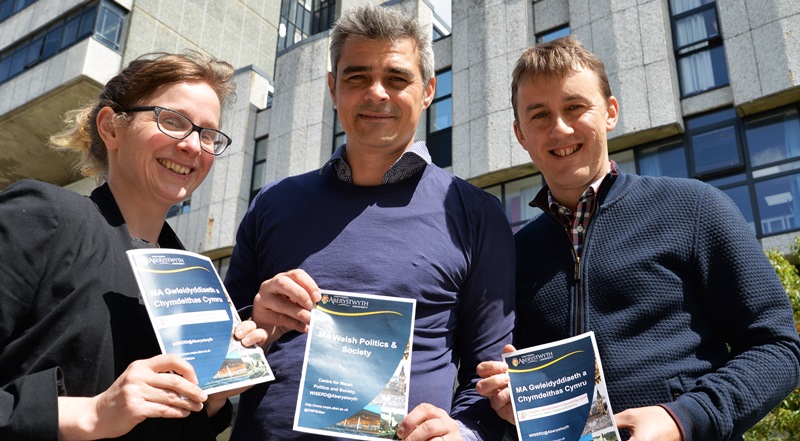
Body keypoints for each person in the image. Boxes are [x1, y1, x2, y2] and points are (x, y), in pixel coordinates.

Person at [475, 36, 800, 441]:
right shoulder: (515, 254)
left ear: (610, 112)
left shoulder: (695, 208)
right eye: (539, 115)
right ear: (520, 134)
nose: (559, 128)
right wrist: (514, 401)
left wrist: (684, 418)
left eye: (575, 107)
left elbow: (778, 349)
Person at [224, 4, 515, 441]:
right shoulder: (273, 203)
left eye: (397, 79)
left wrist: (465, 433)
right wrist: (257, 331)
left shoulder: (475, 213)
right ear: (332, 88)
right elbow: (215, 358)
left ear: (429, 90)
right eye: (357, 77)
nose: (376, 93)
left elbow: (489, 373)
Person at [0, 52, 266, 440]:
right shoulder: (45, 217)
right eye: (172, 121)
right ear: (110, 127)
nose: (194, 145)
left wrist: (212, 396)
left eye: (208, 134)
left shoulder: (194, 278)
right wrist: (91, 413)